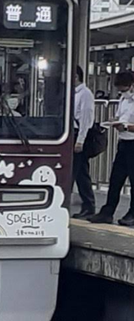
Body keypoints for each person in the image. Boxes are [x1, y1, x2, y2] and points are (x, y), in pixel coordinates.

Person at [88, 70, 134, 225]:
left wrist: (126, 127)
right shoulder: (123, 99)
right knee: (115, 179)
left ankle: (132, 214)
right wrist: (113, 121)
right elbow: (120, 116)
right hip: (123, 142)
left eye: (124, 88)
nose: (122, 92)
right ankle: (107, 212)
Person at [72, 65, 96, 219]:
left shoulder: (85, 94)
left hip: (79, 136)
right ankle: (88, 205)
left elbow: (86, 119)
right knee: (80, 173)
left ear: (76, 76)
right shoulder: (73, 93)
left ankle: (89, 205)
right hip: (73, 134)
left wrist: (80, 140)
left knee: (79, 172)